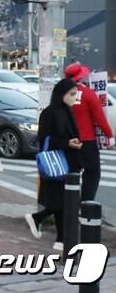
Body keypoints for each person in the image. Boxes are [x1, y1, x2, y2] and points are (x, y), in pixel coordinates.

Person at [25, 78, 82, 251]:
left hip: (69, 161)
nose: (74, 98)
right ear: (61, 94)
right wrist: (66, 143)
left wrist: (75, 143)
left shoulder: (67, 111)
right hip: (57, 163)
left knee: (63, 201)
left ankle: (60, 239)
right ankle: (38, 218)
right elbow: (44, 138)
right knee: (63, 201)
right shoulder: (49, 113)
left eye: (75, 94)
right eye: (71, 94)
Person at [64, 62, 115, 201]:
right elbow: (99, 117)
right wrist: (109, 135)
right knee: (92, 173)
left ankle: (70, 206)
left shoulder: (63, 94)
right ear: (82, 77)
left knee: (71, 174)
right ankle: (86, 204)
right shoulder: (88, 94)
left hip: (68, 142)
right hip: (86, 141)